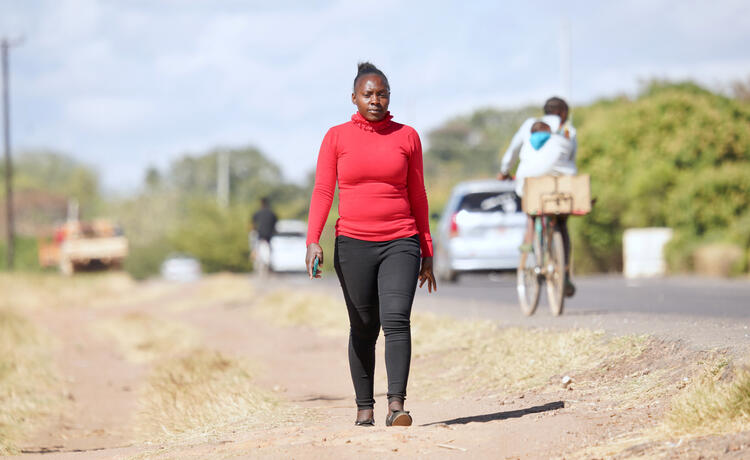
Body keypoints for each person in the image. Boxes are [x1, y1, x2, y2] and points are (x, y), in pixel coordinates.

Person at [305, 62, 437, 428]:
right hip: (353, 244)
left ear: (389, 97)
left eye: (382, 94)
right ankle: (365, 405)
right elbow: (322, 191)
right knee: (364, 326)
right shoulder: (336, 137)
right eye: (368, 94)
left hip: (401, 240)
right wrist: (312, 240)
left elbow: (418, 194)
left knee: (397, 320)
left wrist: (426, 248)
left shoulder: (407, 136)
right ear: (354, 98)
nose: (375, 100)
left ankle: (397, 405)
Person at [510, 118, 577, 297]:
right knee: (562, 223)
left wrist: (505, 172)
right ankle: (565, 269)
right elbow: (571, 161)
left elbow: (513, 159)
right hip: (559, 190)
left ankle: (532, 252)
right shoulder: (561, 139)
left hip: (532, 189)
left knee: (531, 215)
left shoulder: (527, 144)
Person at [497, 96, 577, 181]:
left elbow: (513, 150)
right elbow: (571, 158)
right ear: (563, 112)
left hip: (527, 182)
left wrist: (504, 172)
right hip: (562, 185)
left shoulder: (529, 124)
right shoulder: (569, 130)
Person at [251, 196, 277, 274]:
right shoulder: (272, 214)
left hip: (260, 235)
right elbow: (275, 224)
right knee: (269, 252)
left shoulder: (257, 213)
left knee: (257, 251)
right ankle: (268, 266)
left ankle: (258, 267)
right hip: (269, 236)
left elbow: (253, 223)